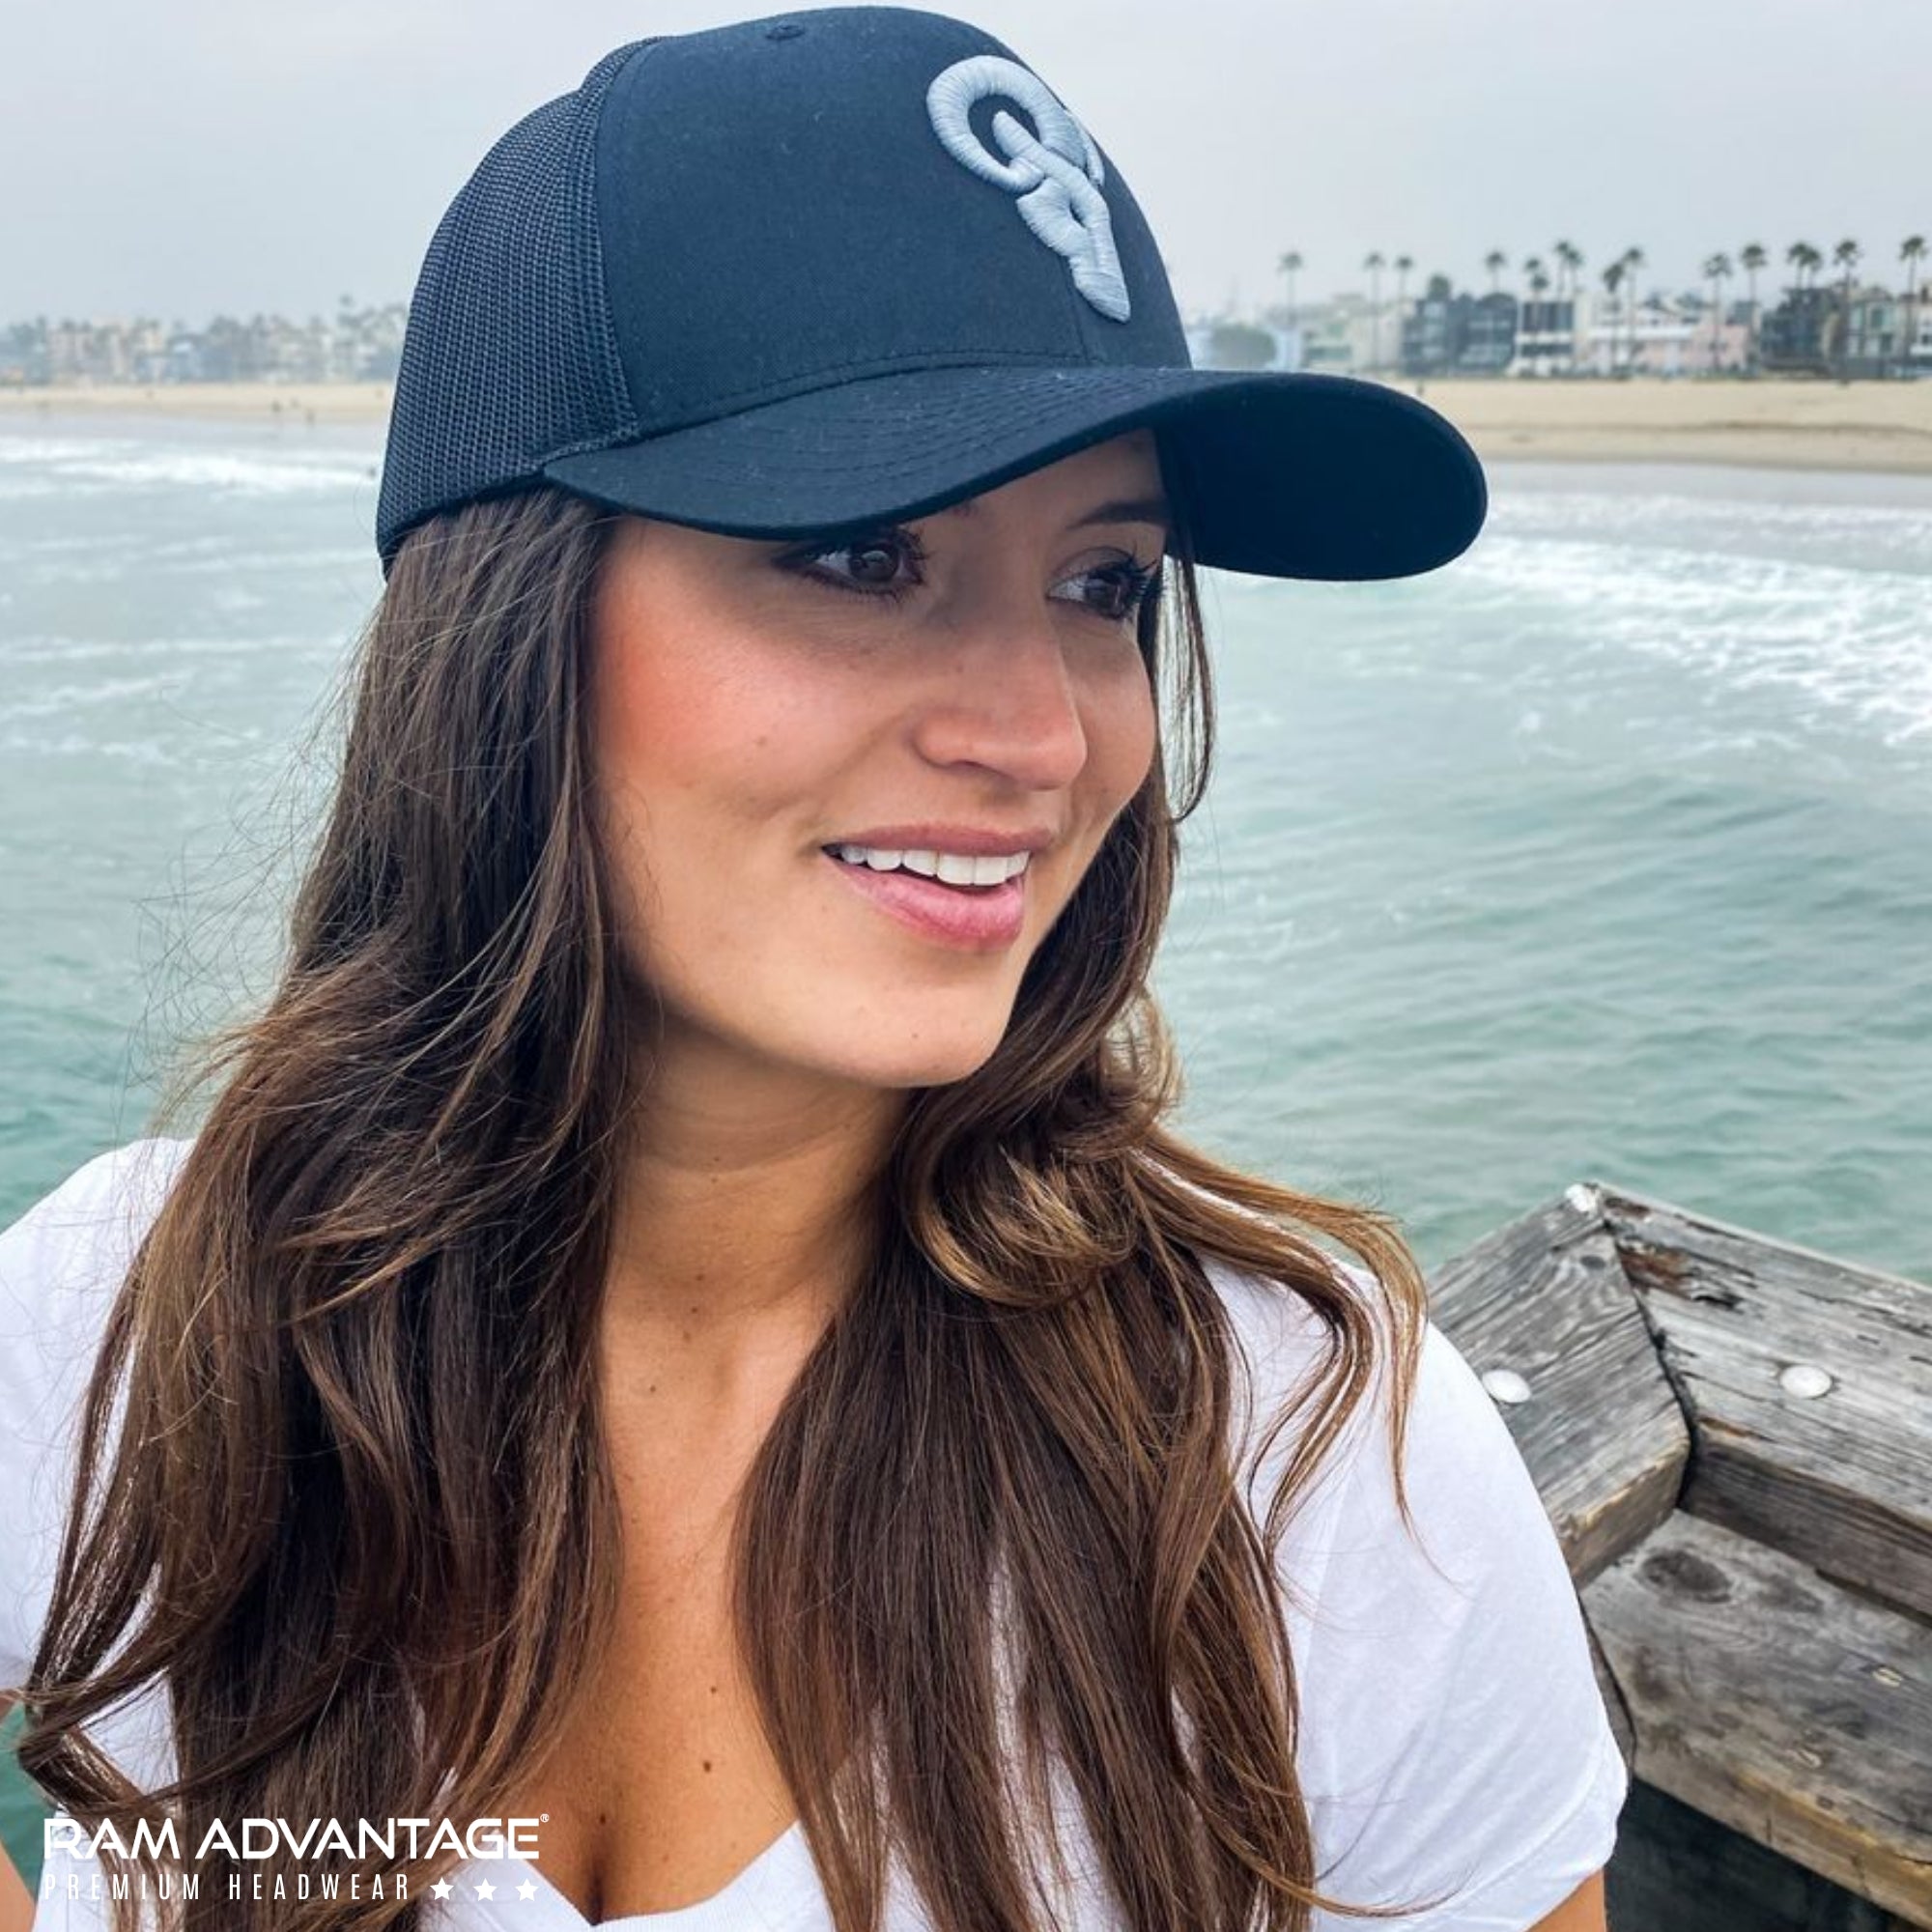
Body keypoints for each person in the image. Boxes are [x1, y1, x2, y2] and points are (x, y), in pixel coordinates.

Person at [0, 9, 1626, 1931]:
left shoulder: (1305, 1471)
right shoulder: (130, 1316)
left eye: (1104, 584)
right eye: (864, 553)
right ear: (507, 620)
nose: (1037, 734)